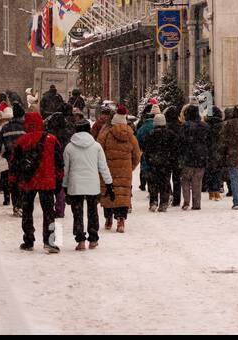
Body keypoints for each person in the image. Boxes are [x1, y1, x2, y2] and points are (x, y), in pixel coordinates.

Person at [11, 111, 63, 253]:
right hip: (47, 180)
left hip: (28, 181)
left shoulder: (21, 140)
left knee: (27, 211)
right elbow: (59, 162)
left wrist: (14, 180)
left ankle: (28, 240)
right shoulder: (51, 139)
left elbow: (14, 163)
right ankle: (50, 241)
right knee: (49, 212)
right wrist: (59, 179)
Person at [63, 119, 112, 251]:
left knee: (77, 213)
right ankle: (93, 239)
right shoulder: (96, 146)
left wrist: (65, 186)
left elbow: (66, 170)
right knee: (92, 212)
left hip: (75, 184)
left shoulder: (69, 147)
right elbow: (103, 167)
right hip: (92, 185)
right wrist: (109, 183)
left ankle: (80, 241)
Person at [98, 105, 141, 233]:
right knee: (122, 195)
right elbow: (137, 155)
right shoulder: (131, 135)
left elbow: (98, 151)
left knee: (108, 193)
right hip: (125, 171)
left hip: (108, 169)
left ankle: (108, 218)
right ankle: (121, 220)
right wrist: (129, 167)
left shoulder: (105, 134)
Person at [142, 107, 180, 213]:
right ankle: (163, 203)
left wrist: (149, 159)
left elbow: (145, 149)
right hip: (166, 163)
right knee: (165, 182)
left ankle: (153, 202)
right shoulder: (171, 135)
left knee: (153, 183)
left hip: (153, 162)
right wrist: (172, 160)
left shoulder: (150, 135)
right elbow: (175, 149)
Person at [178, 104, 211, 210]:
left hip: (188, 157)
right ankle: (196, 204)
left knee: (185, 180)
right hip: (201, 157)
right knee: (197, 181)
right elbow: (210, 142)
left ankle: (186, 202)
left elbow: (181, 142)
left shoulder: (184, 126)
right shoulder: (205, 126)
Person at [0, 106, 27, 214]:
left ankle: (16, 205)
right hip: (24, 159)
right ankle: (22, 204)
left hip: (12, 159)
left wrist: (6, 155)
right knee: (23, 181)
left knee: (14, 181)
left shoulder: (6, 128)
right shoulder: (25, 127)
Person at [218, 103, 238, 208]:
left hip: (232, 155)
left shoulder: (228, 124)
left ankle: (236, 202)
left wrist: (222, 154)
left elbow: (223, 141)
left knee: (234, 179)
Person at [203, 105, 226, 201]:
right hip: (219, 151)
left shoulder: (206, 125)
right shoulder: (223, 125)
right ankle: (216, 191)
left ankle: (211, 192)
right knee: (218, 172)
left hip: (208, 150)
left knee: (209, 171)